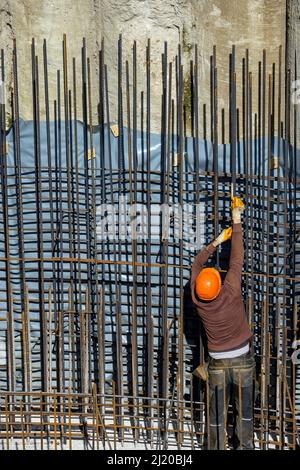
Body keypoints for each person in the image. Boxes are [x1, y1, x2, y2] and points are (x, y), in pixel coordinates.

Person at [190, 197, 255, 450]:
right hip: (242, 360)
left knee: (216, 417)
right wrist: (235, 221)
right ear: (218, 283)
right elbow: (237, 258)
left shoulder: (198, 300)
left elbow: (196, 264)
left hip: (216, 363)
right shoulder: (230, 289)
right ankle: (245, 447)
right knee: (245, 413)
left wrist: (215, 242)